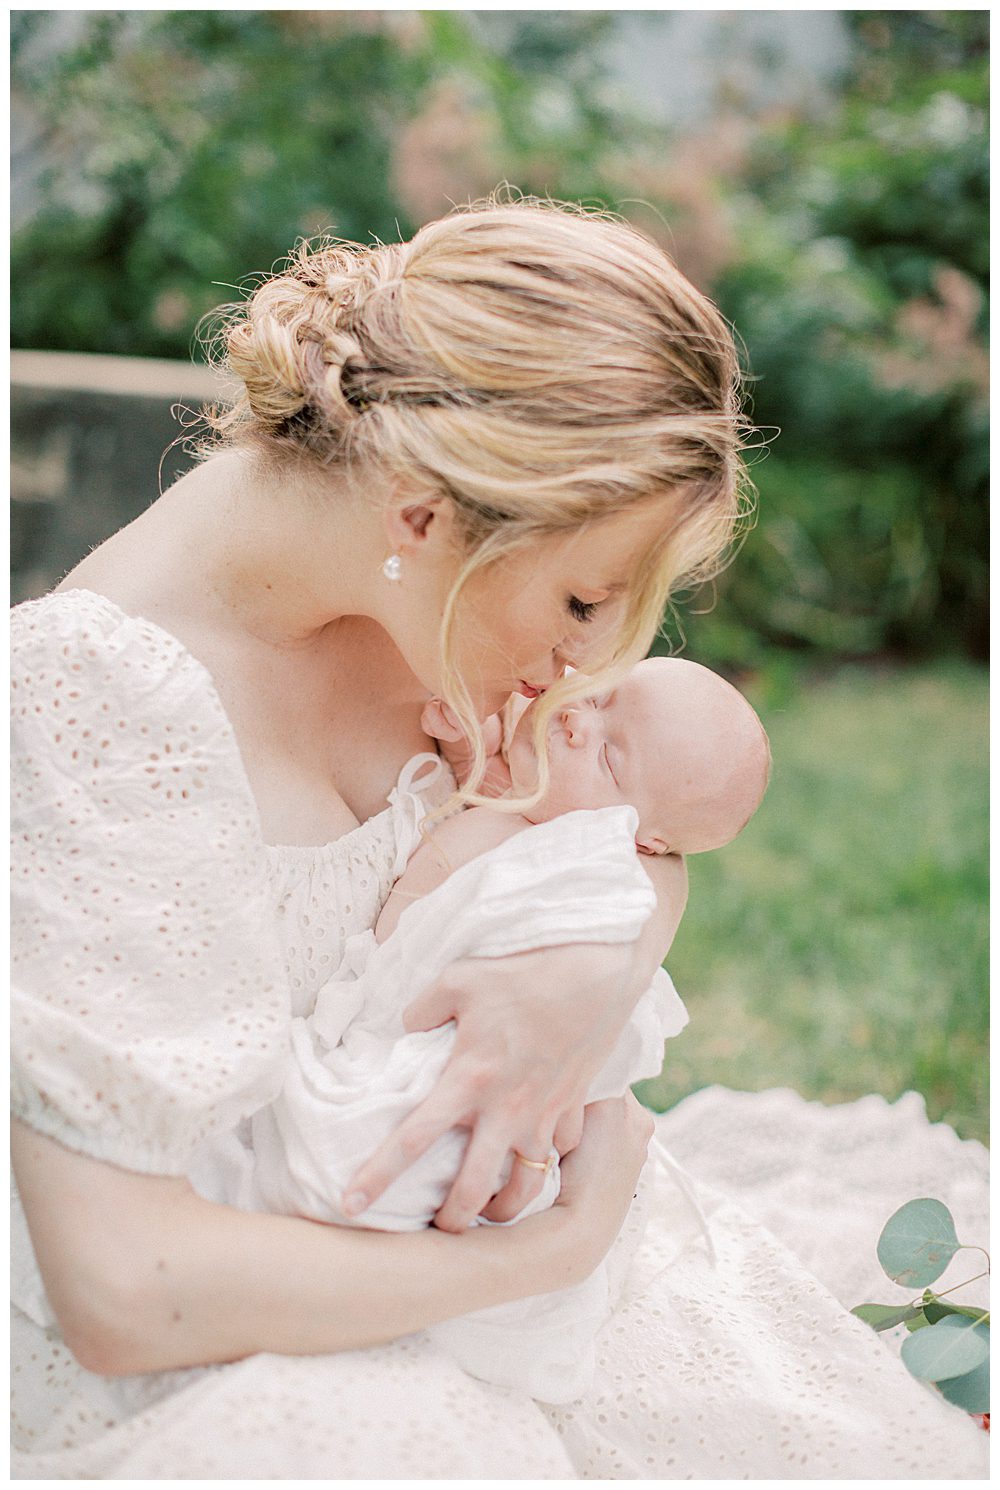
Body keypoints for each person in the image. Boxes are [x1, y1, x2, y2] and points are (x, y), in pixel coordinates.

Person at [10, 197, 987, 1479]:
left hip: (464, 1283)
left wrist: (590, 973)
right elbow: (126, 1287)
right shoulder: (94, 708)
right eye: (584, 596)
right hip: (235, 1342)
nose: (591, 659)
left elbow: (643, 827)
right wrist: (535, 1256)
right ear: (424, 513)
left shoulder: (402, 585)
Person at [194, 658, 768, 1403]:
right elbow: (470, 825)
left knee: (397, 1149)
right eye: (599, 696)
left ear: (641, 840)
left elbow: (579, 933)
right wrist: (476, 767)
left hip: (460, 1066)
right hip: (390, 1035)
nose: (574, 717)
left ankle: (366, 1251)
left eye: (607, 751)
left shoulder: (586, 865)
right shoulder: (533, 795)